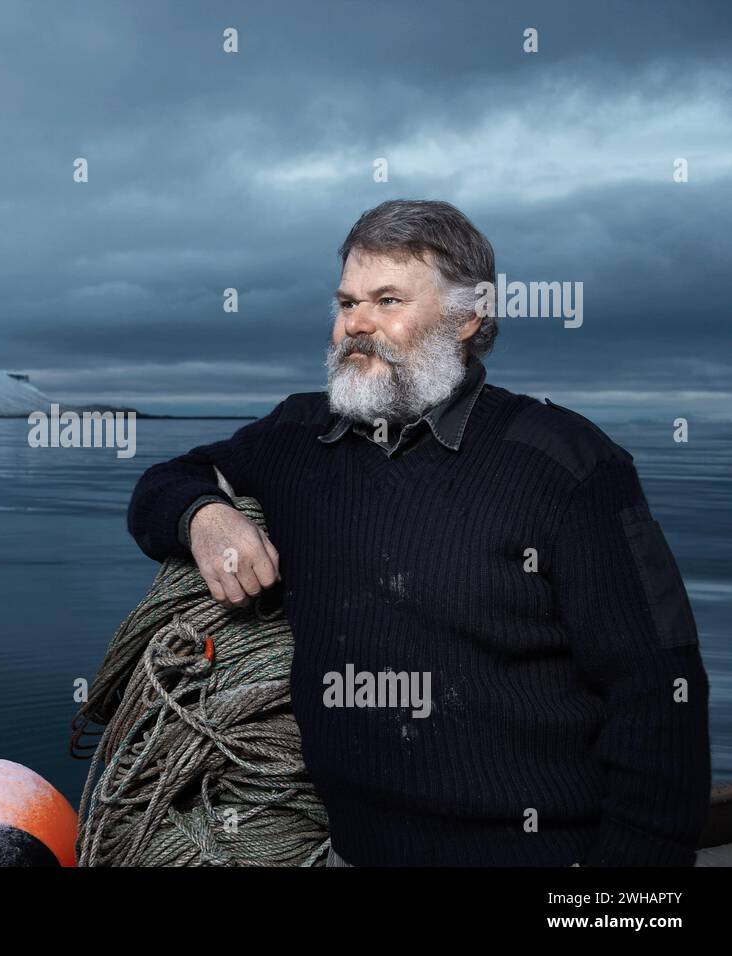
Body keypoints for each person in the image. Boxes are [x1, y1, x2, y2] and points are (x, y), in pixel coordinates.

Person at [127, 199, 710, 866]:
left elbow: (659, 695)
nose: (358, 326)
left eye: (387, 300)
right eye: (347, 304)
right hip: (352, 852)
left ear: (468, 317)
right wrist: (204, 515)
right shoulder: (297, 436)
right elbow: (162, 484)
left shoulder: (567, 465)